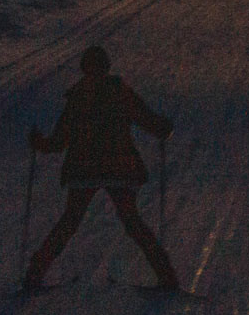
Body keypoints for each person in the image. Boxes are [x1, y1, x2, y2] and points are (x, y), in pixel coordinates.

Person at [24, 44, 178, 292]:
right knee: (132, 222)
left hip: (84, 169)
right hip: (119, 167)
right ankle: (167, 277)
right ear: (107, 68)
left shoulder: (77, 97)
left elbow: (59, 141)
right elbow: (148, 121)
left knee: (69, 223)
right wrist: (163, 127)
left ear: (85, 69)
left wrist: (38, 142)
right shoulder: (121, 93)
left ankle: (34, 275)